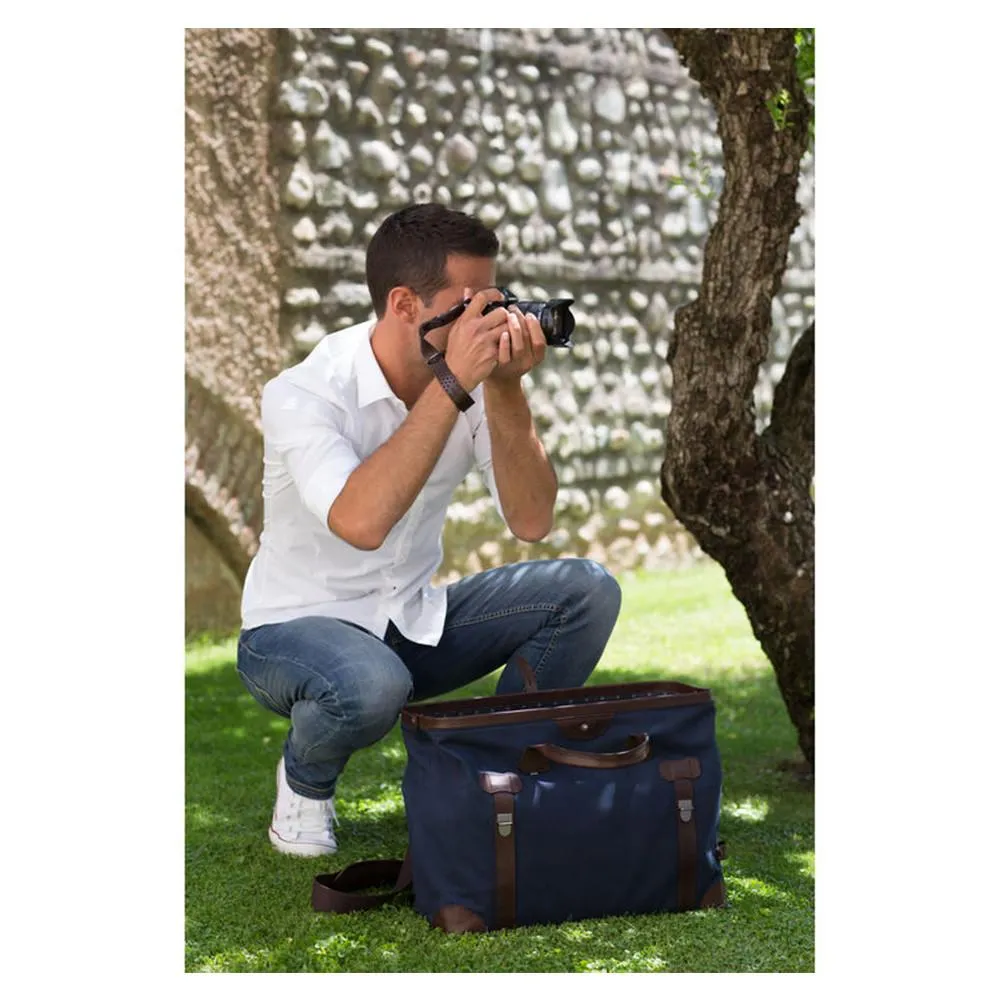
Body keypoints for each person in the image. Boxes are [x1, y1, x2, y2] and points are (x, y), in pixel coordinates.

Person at [236, 203, 622, 857]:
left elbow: (531, 521)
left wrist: (504, 391)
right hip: (293, 630)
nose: (485, 321)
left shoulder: (470, 383)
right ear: (403, 305)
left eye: (493, 302)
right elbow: (361, 523)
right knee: (370, 685)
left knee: (585, 589)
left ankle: (498, 783)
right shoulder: (305, 392)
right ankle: (303, 786)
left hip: (412, 620)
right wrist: (453, 382)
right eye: (467, 305)